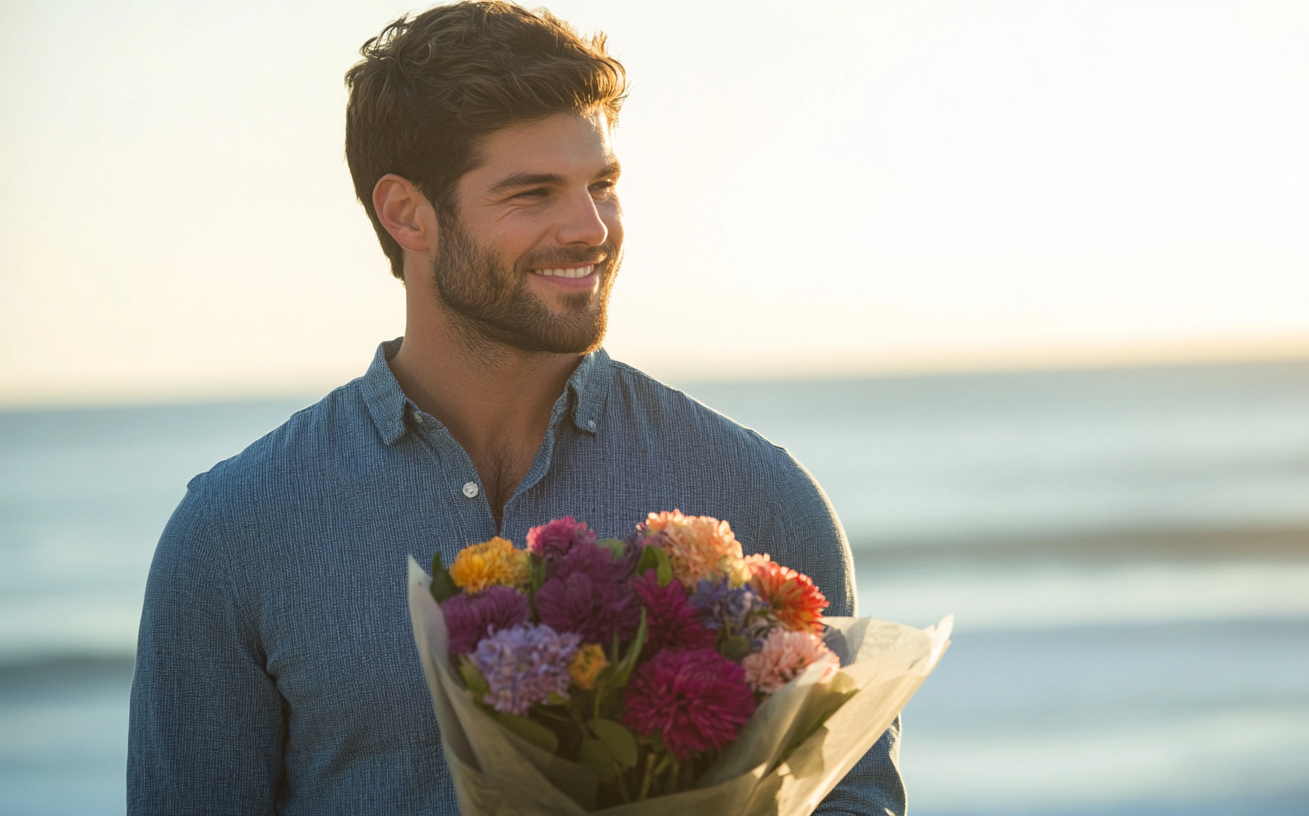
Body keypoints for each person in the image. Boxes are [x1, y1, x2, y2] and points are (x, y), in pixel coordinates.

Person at [126, 2, 903, 814]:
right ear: (406, 213)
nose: (590, 228)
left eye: (601, 184)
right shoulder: (234, 530)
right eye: (532, 194)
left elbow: (856, 797)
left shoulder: (755, 495)